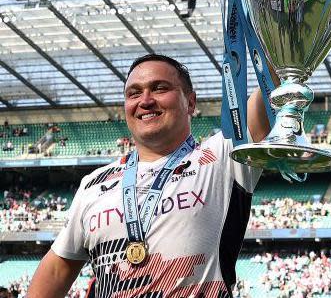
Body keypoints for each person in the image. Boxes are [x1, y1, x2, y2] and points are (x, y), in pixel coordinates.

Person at [28, 54, 271, 298]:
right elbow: (57, 270)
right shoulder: (94, 183)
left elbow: (275, 78)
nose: (145, 100)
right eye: (134, 93)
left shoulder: (219, 157)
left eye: (159, 88)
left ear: (190, 102)